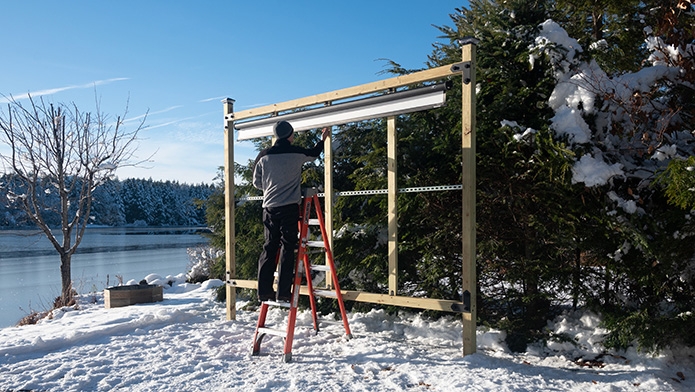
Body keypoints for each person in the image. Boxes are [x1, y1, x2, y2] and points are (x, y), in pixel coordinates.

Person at [252, 120, 330, 302]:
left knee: (270, 247)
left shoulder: (263, 155)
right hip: (289, 207)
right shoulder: (296, 153)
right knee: (288, 247)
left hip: (270, 207)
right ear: (290, 135)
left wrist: (272, 185)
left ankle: (264, 291)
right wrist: (322, 139)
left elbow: (256, 183)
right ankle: (284, 292)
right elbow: (313, 154)